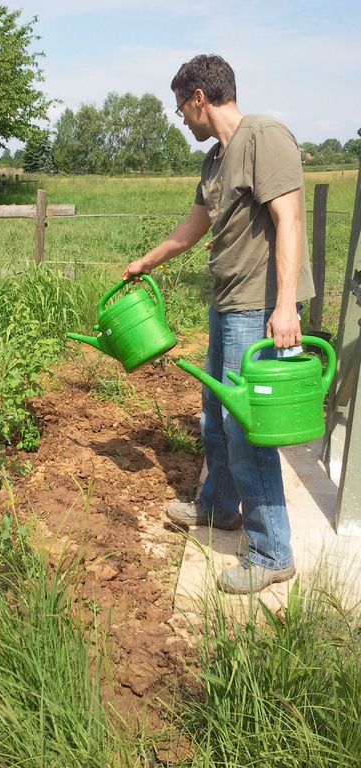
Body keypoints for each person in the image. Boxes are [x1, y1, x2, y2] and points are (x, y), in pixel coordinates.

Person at [122, 54, 315, 594]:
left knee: (245, 426)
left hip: (260, 307)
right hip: (228, 303)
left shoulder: (264, 137)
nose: (181, 119)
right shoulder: (214, 161)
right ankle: (219, 507)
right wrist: (145, 262)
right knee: (214, 415)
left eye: (180, 108)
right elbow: (193, 227)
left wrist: (285, 306)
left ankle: (271, 551)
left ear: (199, 98)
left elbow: (289, 219)